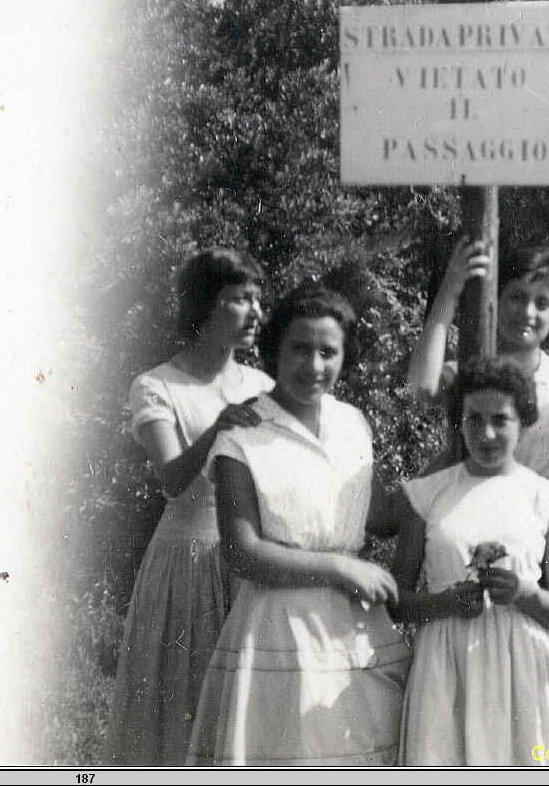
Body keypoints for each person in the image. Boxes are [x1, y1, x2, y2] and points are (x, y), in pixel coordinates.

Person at [187, 284, 410, 765]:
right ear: (273, 350)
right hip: (279, 623)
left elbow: (376, 515)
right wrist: (340, 569)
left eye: (328, 351)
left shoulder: (353, 423)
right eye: (299, 348)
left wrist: (455, 467)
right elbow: (242, 552)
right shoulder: (243, 432)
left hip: (353, 624)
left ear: (344, 357)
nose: (313, 365)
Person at [107, 247, 273, 765]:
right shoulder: (157, 385)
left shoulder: (263, 385)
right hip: (188, 563)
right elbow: (175, 480)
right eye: (239, 299)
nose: (255, 312)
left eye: (257, 298)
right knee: (184, 703)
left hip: (250, 560)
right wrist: (220, 426)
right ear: (205, 305)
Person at [395, 359, 549, 765]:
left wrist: (524, 593)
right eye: (474, 420)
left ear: (523, 420)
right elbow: (395, 600)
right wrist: (443, 604)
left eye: (501, 420)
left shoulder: (547, 499)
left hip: (527, 670)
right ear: (459, 422)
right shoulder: (427, 494)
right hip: (448, 666)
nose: (487, 433)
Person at [406, 241, 549, 480]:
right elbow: (419, 388)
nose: (528, 313)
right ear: (495, 301)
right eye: (517, 297)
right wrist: (451, 288)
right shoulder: (469, 374)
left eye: (542, 303)